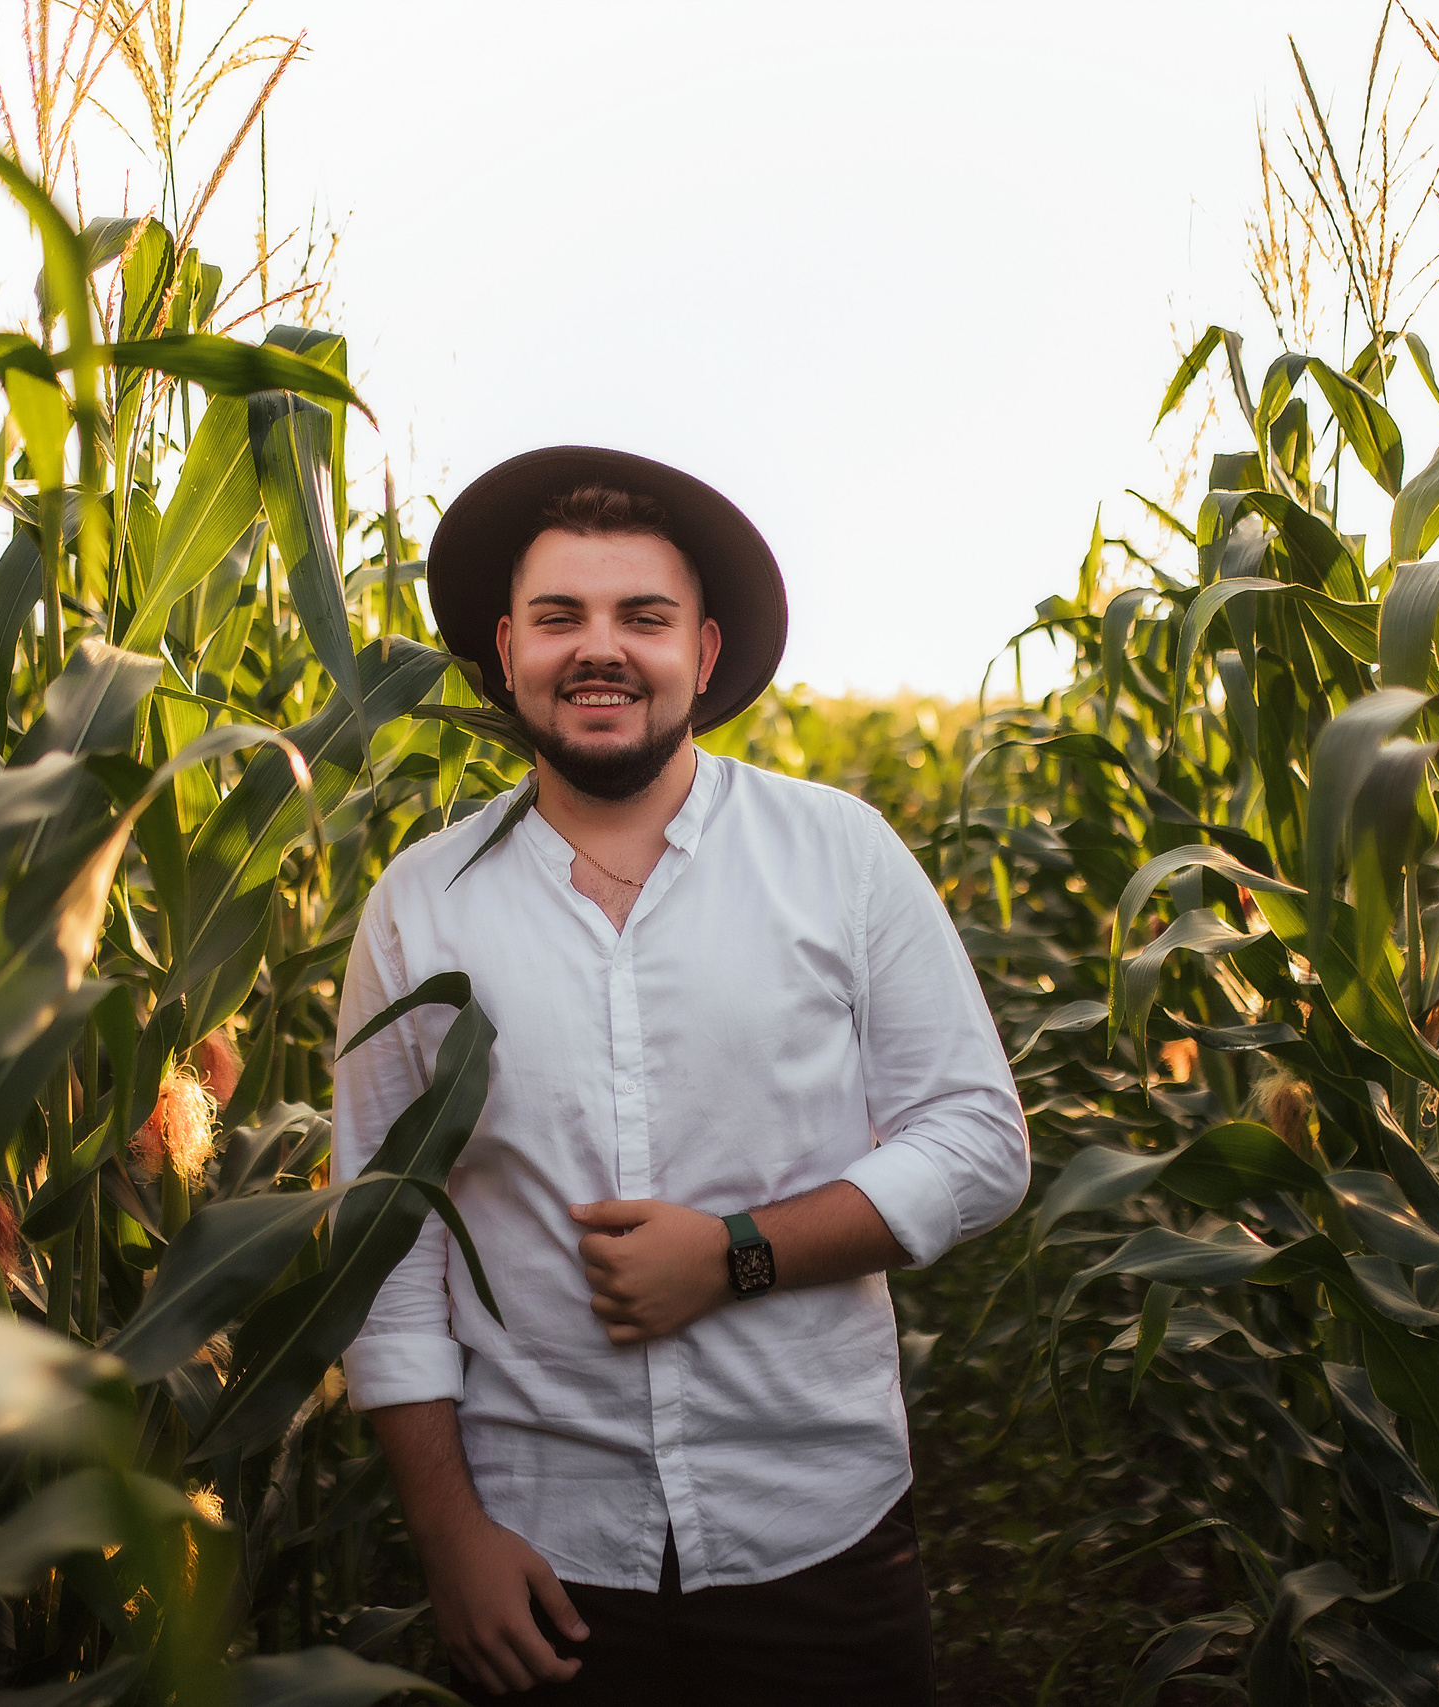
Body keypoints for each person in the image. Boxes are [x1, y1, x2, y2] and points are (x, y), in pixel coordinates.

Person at [331, 446, 1028, 1704]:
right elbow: (385, 1250)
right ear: (505, 650)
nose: (599, 648)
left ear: (701, 656)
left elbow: (976, 1140)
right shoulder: (418, 909)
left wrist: (734, 1254)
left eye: (641, 618)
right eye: (560, 618)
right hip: (540, 1555)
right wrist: (447, 1541)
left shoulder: (839, 857)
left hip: (815, 1529)